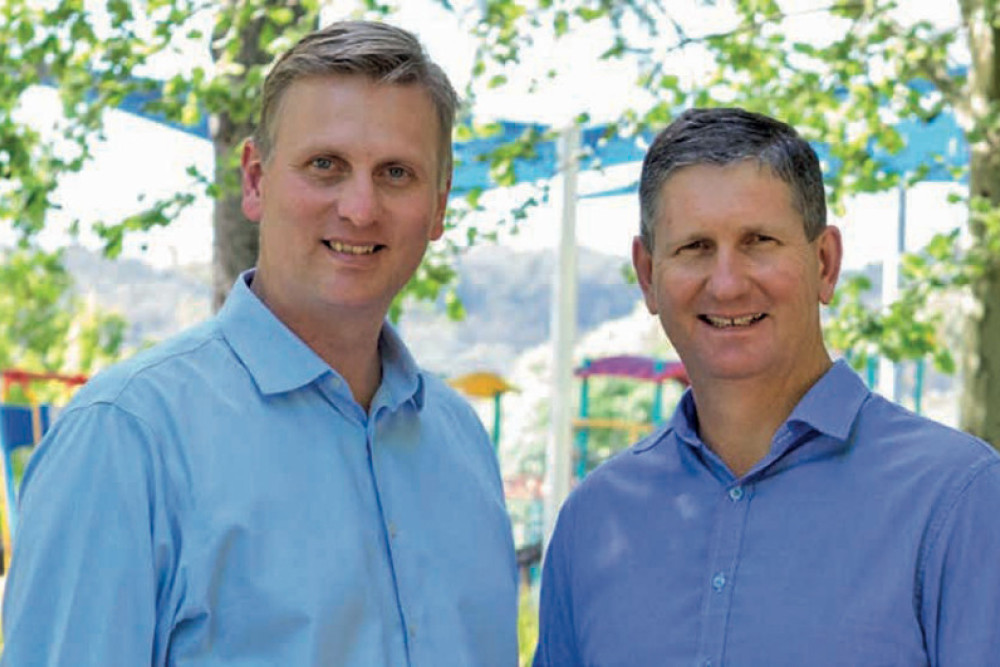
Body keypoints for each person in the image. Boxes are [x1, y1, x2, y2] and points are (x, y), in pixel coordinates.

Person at [2, 20, 518, 665]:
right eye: (325, 165)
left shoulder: (461, 443)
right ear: (255, 180)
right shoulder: (126, 438)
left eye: (396, 172)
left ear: (438, 205)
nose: (360, 208)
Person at [533, 107, 1000, 666]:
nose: (727, 284)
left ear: (825, 264)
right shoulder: (594, 519)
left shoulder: (960, 499)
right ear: (647, 275)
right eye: (695, 248)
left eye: (758, 241)